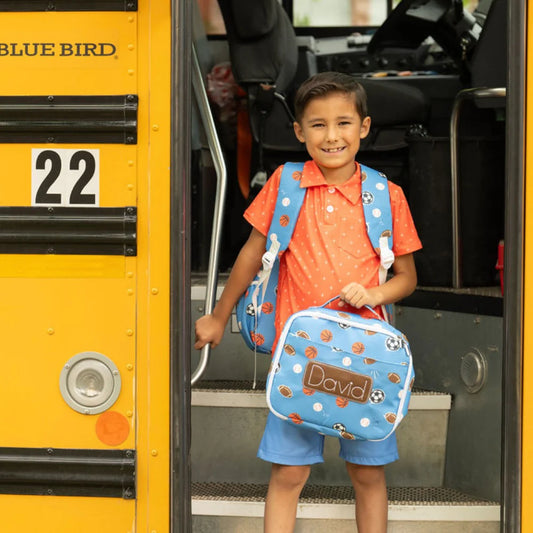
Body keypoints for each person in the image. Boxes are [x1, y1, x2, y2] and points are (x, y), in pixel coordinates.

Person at [195, 71, 422, 533]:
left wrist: (375, 293)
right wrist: (219, 316)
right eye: (317, 125)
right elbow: (251, 253)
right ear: (299, 132)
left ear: (364, 127)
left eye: (343, 123)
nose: (331, 135)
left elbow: (407, 278)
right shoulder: (286, 183)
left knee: (367, 472)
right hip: (299, 355)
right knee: (289, 472)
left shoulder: (385, 194)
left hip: (366, 361)